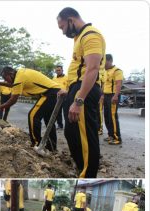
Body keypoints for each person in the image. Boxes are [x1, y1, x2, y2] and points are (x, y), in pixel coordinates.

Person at [57, 7, 106, 178]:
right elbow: (79, 68)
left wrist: (79, 101)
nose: (63, 32)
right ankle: (81, 168)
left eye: (62, 27)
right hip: (76, 88)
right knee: (71, 132)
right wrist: (68, 90)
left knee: (86, 136)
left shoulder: (90, 35)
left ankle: (88, 175)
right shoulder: (79, 38)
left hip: (85, 90)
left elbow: (92, 69)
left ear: (71, 19)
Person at [0, 67, 61, 151]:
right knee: (49, 121)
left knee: (33, 116)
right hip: (55, 92)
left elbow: (13, 100)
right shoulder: (20, 74)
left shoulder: (19, 78)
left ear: (10, 74)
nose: (5, 80)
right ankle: (52, 147)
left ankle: (36, 144)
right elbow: (12, 84)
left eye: (5, 78)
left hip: (50, 93)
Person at [103, 54, 124, 145]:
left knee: (112, 117)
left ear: (110, 60)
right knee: (107, 116)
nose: (104, 64)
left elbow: (119, 84)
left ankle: (117, 138)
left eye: (105, 62)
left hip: (113, 95)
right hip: (106, 95)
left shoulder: (117, 71)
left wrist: (116, 96)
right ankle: (110, 135)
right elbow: (104, 84)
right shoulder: (104, 71)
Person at [53, 65, 68, 129]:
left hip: (65, 97)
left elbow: (70, 87)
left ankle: (68, 126)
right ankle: (60, 125)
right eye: (57, 70)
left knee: (66, 111)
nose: (58, 71)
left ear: (62, 70)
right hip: (57, 97)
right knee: (58, 112)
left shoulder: (67, 77)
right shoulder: (54, 78)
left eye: (59, 70)